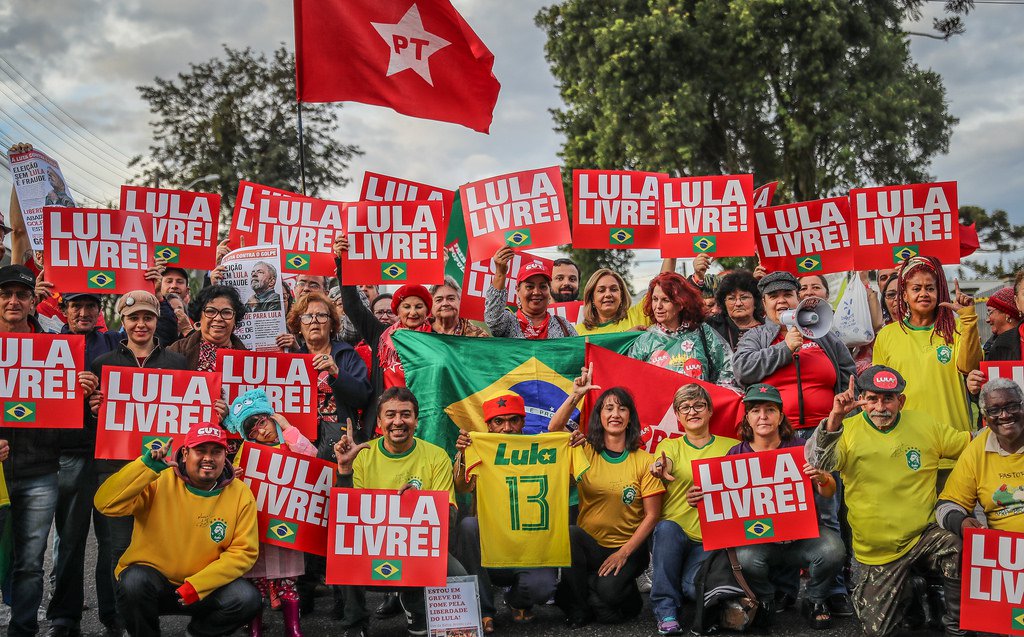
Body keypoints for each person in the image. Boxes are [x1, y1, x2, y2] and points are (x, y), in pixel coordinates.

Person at [808, 366, 971, 637]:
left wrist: (1005, 427)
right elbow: (820, 463)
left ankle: (957, 628)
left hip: (923, 536)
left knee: (957, 544)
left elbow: (970, 445)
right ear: (862, 400)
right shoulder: (846, 430)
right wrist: (835, 418)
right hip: (878, 552)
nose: (880, 407)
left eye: (888, 399)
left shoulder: (925, 424)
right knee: (878, 632)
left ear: (901, 401)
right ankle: (912, 587)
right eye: (872, 399)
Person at [94, 424, 261, 637]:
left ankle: (197, 633)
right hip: (155, 583)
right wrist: (144, 468)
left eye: (216, 452)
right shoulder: (158, 479)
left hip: (203, 588)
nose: (208, 458)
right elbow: (105, 504)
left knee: (247, 598)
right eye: (200, 451)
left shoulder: (240, 493)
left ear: (224, 455)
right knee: (132, 583)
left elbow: (244, 552)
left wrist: (198, 585)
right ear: (185, 454)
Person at [0, 265, 91, 637]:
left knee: (30, 563)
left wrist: (81, 392)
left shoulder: (57, 349)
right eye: (5, 294)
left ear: (32, 301)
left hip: (39, 470)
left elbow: (63, 412)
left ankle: (23, 629)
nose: (13, 301)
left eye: (21, 295)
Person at [332, 387, 467, 636]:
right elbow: (347, 518)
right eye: (390, 414)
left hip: (417, 546)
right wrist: (345, 470)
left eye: (405, 414)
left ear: (416, 420)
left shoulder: (436, 456)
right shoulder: (362, 455)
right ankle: (355, 622)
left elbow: (448, 519)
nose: (398, 421)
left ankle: (415, 606)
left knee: (457, 573)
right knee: (342, 551)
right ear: (379, 422)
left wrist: (418, 504)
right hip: (373, 546)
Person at [728, 384, 845, 630]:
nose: (763, 416)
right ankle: (765, 600)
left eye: (770, 410)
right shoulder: (735, 454)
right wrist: (701, 498)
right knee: (745, 558)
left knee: (833, 549)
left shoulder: (802, 448)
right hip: (760, 540)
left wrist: (822, 477)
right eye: (756, 410)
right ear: (747, 418)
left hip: (802, 537)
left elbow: (828, 491)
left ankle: (814, 600)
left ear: (780, 416)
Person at [554, 387, 664, 626]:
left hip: (629, 548)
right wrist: (576, 395)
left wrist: (623, 553)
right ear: (600, 416)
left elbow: (652, 515)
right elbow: (554, 428)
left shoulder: (645, 461)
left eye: (622, 409)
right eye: (609, 408)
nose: (615, 414)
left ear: (630, 418)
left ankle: (579, 592)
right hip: (591, 545)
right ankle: (580, 609)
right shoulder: (584, 451)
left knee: (609, 595)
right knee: (571, 533)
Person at [47, 292, 122, 637]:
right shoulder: (48, 346)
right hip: (71, 454)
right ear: (64, 310)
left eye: (91, 306)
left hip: (109, 456)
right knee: (70, 540)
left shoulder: (114, 343)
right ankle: (65, 616)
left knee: (111, 541)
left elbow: (151, 337)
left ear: (99, 311)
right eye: (76, 305)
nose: (84, 312)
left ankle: (113, 614)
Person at [453, 393, 560, 634]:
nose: (507, 428)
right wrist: (463, 454)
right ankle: (484, 611)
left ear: (523, 422)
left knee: (543, 589)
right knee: (469, 525)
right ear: (488, 426)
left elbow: (571, 482)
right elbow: (461, 487)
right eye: (499, 421)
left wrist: (573, 446)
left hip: (529, 544)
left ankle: (516, 600)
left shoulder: (540, 449)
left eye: (513, 420)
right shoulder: (480, 448)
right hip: (490, 545)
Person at [647, 385, 738, 636]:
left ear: (710, 411)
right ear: (677, 415)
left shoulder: (732, 447)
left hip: (710, 539)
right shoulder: (669, 445)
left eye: (698, 405)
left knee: (691, 590)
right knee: (666, 528)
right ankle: (665, 609)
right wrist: (659, 468)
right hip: (673, 535)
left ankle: (678, 586)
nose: (692, 411)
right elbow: (664, 462)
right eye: (685, 407)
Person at [225, 390, 316, 637]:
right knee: (257, 583)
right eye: (253, 431)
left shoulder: (290, 441)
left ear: (271, 416)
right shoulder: (247, 451)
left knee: (288, 581)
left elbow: (311, 458)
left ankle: (293, 628)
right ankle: (254, 628)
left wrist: (288, 428)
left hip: (287, 526)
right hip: (259, 527)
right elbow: (234, 486)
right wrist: (235, 477)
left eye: (262, 423)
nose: (261, 432)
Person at [872, 256, 982, 451]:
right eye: (916, 289)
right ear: (904, 295)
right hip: (905, 444)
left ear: (939, 293)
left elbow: (969, 367)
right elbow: (880, 392)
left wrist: (968, 319)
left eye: (930, 288)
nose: (924, 294)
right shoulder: (886, 335)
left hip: (955, 440)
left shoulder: (957, 328)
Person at [734, 271, 856, 430]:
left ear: (798, 299)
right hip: (776, 433)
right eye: (773, 296)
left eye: (787, 294)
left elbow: (849, 376)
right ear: (764, 303)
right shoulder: (755, 336)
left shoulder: (823, 335)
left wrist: (845, 420)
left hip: (827, 429)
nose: (781, 300)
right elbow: (742, 369)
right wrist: (785, 348)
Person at [284, 291, 371, 456]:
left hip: (341, 442)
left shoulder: (347, 355)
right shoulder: (293, 361)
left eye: (321, 315)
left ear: (332, 325)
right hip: (303, 443)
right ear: (299, 327)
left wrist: (337, 373)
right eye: (307, 317)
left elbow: (363, 397)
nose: (314, 321)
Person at [937, 377, 1024, 534]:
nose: (1005, 415)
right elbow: (947, 504)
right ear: (985, 419)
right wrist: (961, 522)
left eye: (1012, 406)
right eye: (994, 410)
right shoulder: (976, 450)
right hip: (1003, 544)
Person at [626, 271, 736, 387]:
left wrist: (716, 395)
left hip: (700, 399)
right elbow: (631, 380)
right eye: (655, 299)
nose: (658, 306)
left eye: (665, 300)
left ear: (681, 303)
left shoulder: (703, 332)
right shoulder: (645, 341)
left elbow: (728, 368)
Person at [486, 247, 576, 338]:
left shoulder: (563, 325)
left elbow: (579, 346)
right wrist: (500, 273)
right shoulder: (508, 322)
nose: (536, 292)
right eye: (529, 287)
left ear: (549, 290)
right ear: (518, 290)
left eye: (543, 286)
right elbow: (493, 320)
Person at [169, 285, 248, 371]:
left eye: (226, 312)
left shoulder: (249, 360)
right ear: (200, 317)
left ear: (235, 320)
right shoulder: (176, 350)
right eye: (211, 311)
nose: (218, 318)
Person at [575, 268, 649, 335]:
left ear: (621, 295)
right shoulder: (577, 332)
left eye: (614, 289)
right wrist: (626, 336)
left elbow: (656, 286)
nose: (608, 294)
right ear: (592, 298)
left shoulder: (638, 313)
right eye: (601, 290)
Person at [707, 270, 764, 350]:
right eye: (731, 298)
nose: (738, 303)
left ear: (755, 301)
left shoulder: (769, 328)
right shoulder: (713, 326)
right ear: (724, 303)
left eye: (744, 298)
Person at [982, 286, 1021, 354]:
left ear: (1008, 315)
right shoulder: (990, 345)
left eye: (990, 312)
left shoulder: (1020, 346)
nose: (987, 320)